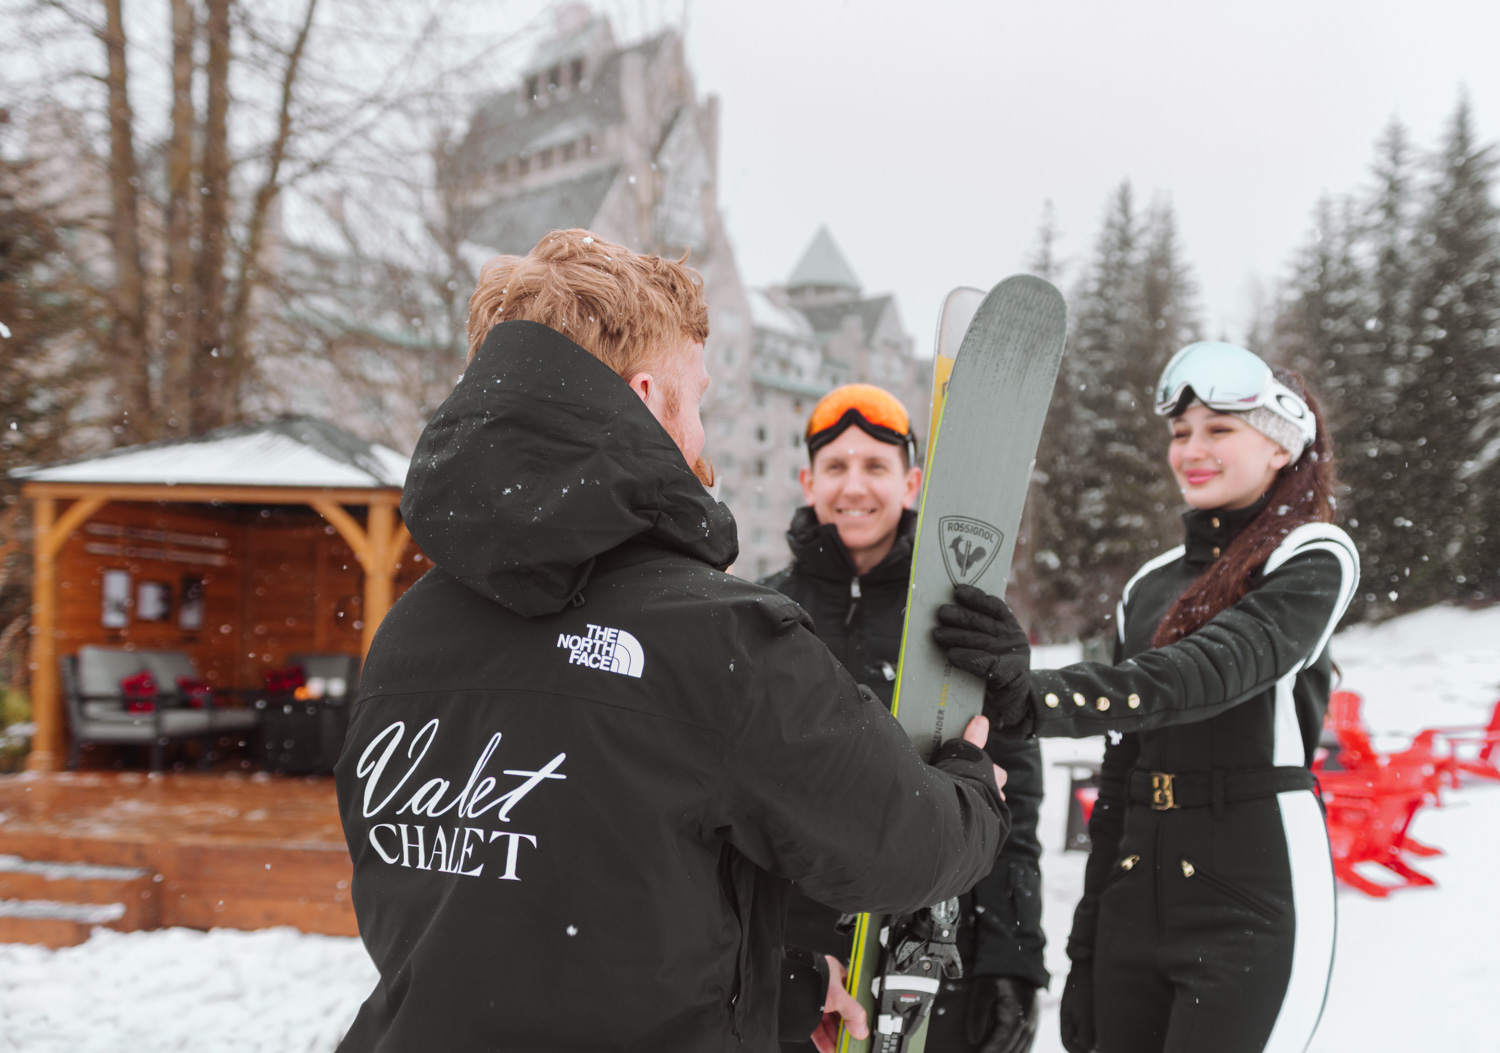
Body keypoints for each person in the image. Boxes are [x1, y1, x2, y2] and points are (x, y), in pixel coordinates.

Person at [333, 229, 1013, 1053]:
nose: (702, 438)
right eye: (698, 401)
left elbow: (531, 910)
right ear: (650, 397)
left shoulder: (410, 631)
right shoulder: (718, 637)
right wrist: (974, 795)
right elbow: (899, 848)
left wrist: (786, 985)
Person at [932, 342, 1359, 1053]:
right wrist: (1090, 942)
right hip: (1136, 894)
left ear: (1281, 447)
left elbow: (1206, 673)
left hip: (1250, 893)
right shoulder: (1150, 584)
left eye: (1220, 429)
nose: (1192, 447)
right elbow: (1124, 773)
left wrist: (1035, 696)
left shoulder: (1312, 555)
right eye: (1181, 431)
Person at [761, 383, 1048, 1053]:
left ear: (912, 481)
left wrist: (1011, 958)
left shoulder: (962, 618)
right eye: (835, 466)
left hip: (929, 947)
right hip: (794, 959)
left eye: (875, 466)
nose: (853, 485)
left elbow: (1014, 796)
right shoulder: (763, 612)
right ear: (808, 480)